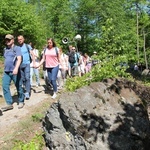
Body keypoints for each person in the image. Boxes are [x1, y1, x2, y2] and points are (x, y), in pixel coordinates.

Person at [1, 34, 25, 111]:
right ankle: (9, 103)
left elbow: (19, 59)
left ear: (12, 40)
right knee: (4, 86)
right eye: (6, 40)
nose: (7, 41)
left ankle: (21, 101)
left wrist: (16, 68)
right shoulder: (5, 49)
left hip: (15, 71)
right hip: (6, 72)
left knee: (18, 86)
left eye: (9, 40)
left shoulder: (16, 48)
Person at [17, 35, 35, 100]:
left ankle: (27, 92)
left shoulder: (27, 46)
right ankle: (26, 88)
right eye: (18, 39)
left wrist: (34, 63)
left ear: (23, 39)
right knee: (23, 79)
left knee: (27, 77)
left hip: (27, 64)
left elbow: (32, 54)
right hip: (20, 65)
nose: (19, 40)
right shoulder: (17, 47)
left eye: (21, 39)